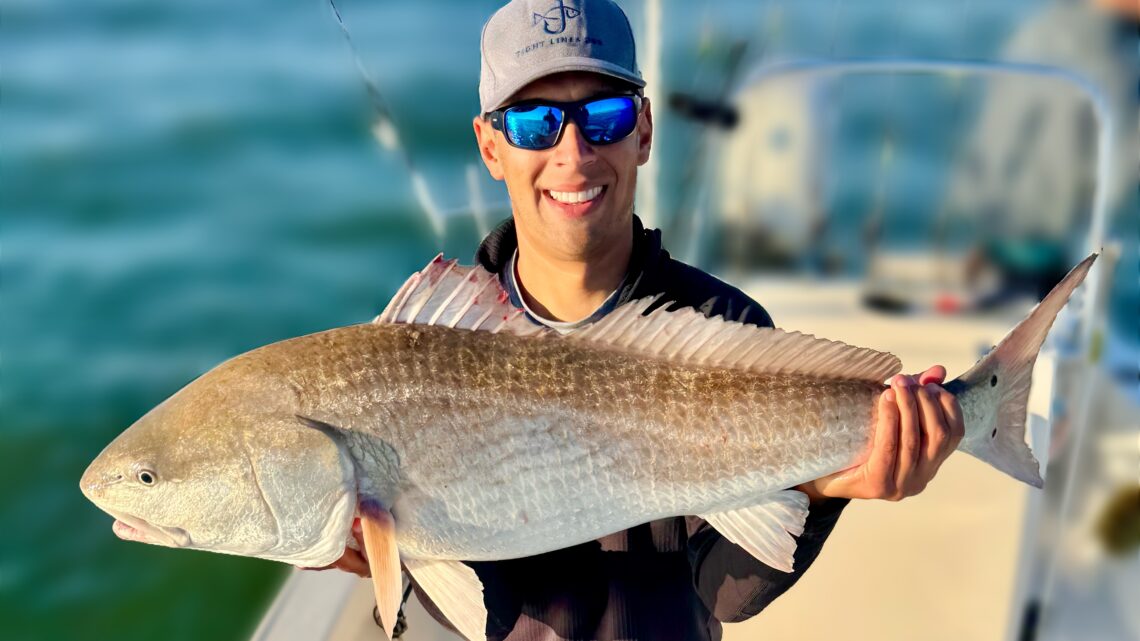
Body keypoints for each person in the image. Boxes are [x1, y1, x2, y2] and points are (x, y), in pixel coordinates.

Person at [312, 1, 965, 639]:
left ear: (644, 130)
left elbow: (723, 591)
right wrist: (391, 545)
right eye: (535, 123)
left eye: (604, 114)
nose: (573, 152)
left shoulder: (723, 324)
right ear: (490, 145)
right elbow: (476, 609)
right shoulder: (435, 344)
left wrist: (822, 489)